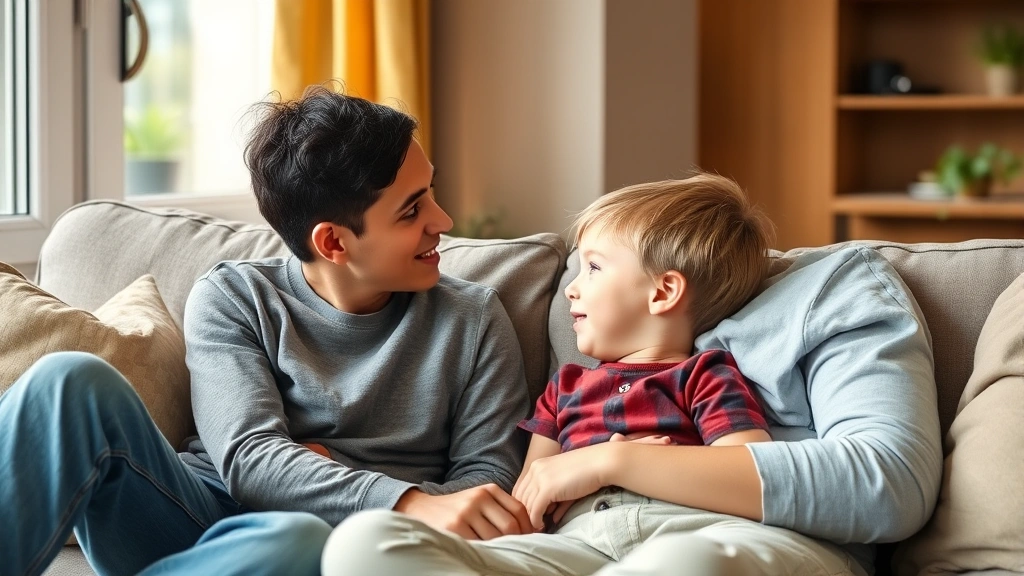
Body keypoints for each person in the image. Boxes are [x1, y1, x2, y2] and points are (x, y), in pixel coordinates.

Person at [0, 85, 532, 576]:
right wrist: (407, 500)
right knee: (68, 380)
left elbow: (488, 482)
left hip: (321, 547)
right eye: (412, 210)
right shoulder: (235, 298)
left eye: (430, 193)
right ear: (334, 244)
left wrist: (329, 479)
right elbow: (250, 459)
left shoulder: (473, 319)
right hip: (193, 515)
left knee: (294, 536)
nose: (443, 220)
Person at [321, 173, 943, 576]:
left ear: (666, 289)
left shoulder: (827, 295)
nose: (572, 288)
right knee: (365, 545)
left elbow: (886, 484)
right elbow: (532, 490)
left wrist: (608, 462)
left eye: (592, 267)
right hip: (581, 543)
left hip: (717, 534)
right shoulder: (574, 379)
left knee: (685, 563)